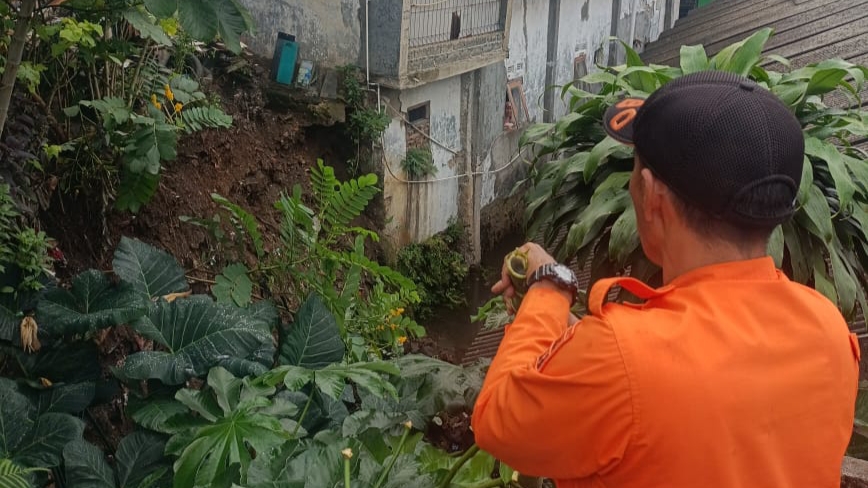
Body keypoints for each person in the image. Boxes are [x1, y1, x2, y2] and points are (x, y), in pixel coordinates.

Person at [471, 71, 860, 488]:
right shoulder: (829, 331)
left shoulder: (622, 361)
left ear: (652, 195)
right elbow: (691, 388)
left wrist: (550, 283)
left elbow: (498, 419)